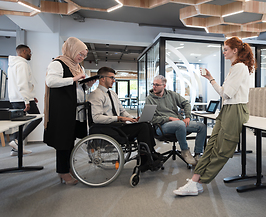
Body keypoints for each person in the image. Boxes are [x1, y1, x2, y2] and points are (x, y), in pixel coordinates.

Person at [173, 36, 256, 196]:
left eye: (226, 49)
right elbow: (226, 94)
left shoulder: (239, 67)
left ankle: (200, 181)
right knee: (211, 147)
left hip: (235, 110)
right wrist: (211, 79)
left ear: (235, 50)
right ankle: (194, 181)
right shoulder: (236, 67)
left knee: (222, 150)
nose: (223, 52)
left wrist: (211, 80)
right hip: (227, 110)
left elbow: (226, 94)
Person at [88, 67, 162, 172]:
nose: (114, 80)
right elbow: (96, 118)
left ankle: (150, 153)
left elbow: (122, 110)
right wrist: (119, 118)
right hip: (108, 128)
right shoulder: (95, 95)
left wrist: (133, 119)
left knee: (146, 124)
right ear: (102, 78)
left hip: (118, 126)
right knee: (143, 127)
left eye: (114, 78)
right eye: (112, 78)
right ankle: (146, 159)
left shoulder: (113, 94)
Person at [44, 37, 94, 185]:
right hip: (63, 110)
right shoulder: (57, 63)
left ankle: (68, 167)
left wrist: (87, 85)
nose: (82, 58)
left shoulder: (79, 67)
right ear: (72, 50)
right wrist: (73, 79)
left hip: (76, 110)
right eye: (80, 54)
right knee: (63, 142)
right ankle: (62, 172)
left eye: (84, 56)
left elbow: (78, 88)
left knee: (71, 140)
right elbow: (50, 82)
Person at [145, 75, 207, 165]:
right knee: (180, 124)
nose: (154, 87)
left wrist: (188, 117)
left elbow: (186, 103)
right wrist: (169, 118)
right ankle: (185, 152)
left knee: (202, 127)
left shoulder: (171, 94)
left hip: (178, 122)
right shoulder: (149, 99)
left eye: (157, 85)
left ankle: (198, 154)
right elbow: (151, 119)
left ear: (164, 86)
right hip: (161, 126)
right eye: (153, 84)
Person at [7, 44, 42, 156]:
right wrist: (27, 100)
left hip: (15, 98)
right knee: (37, 118)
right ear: (24, 51)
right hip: (22, 99)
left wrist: (31, 95)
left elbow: (17, 83)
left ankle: (16, 149)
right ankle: (17, 141)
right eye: (29, 52)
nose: (30, 54)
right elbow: (22, 83)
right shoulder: (22, 64)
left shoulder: (12, 65)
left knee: (20, 123)